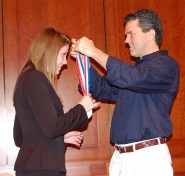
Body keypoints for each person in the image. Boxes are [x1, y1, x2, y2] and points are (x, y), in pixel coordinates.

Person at [71, 9, 180, 176]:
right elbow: (101, 88)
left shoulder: (166, 66)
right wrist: (83, 59)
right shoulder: (132, 73)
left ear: (150, 34)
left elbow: (132, 78)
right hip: (120, 158)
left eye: (131, 34)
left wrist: (95, 52)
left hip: (148, 159)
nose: (126, 41)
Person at [13, 27, 100, 176]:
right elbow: (52, 127)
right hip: (41, 169)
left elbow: (21, 135)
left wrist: (60, 138)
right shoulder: (35, 78)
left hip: (35, 168)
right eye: (63, 54)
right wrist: (81, 107)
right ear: (50, 52)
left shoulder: (28, 78)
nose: (65, 62)